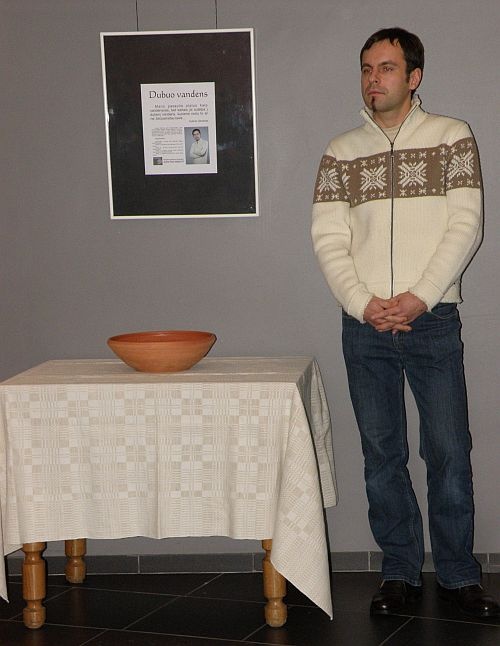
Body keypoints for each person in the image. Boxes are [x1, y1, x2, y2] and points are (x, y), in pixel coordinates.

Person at [311, 27, 499, 619]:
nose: (374, 79)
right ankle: (398, 573)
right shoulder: (340, 152)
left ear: (414, 77)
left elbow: (466, 226)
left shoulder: (452, 137)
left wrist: (420, 297)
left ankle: (459, 576)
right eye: (367, 69)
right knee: (381, 455)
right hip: (364, 326)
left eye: (387, 68)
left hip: (433, 321)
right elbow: (328, 238)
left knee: (448, 452)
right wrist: (361, 302)